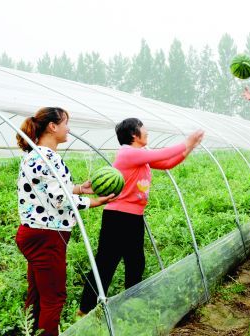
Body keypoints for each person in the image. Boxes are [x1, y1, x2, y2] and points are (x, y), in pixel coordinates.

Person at [78, 118, 204, 316]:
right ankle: (85, 309)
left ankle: (131, 306)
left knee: (136, 263)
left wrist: (189, 148)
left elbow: (167, 163)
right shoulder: (128, 153)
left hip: (134, 218)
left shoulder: (140, 156)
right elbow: (162, 153)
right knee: (106, 263)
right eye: (144, 129)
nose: (147, 132)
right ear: (134, 134)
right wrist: (186, 142)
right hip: (117, 216)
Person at [15, 107, 115, 336]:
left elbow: (50, 188)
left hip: (35, 232)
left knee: (38, 293)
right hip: (46, 235)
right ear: (53, 126)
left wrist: (80, 188)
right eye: (65, 123)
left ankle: (31, 332)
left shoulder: (35, 155)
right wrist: (93, 202)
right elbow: (60, 198)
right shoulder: (47, 156)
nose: (68, 129)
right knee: (54, 297)